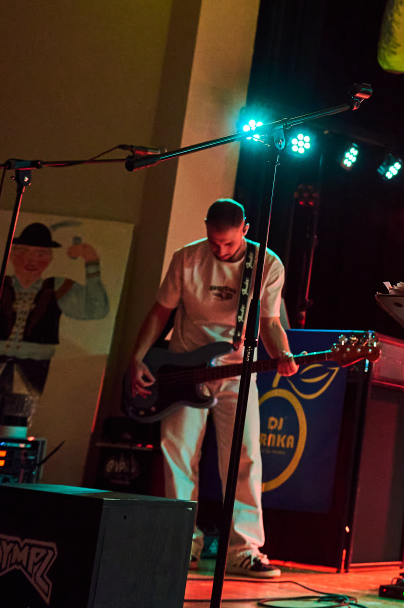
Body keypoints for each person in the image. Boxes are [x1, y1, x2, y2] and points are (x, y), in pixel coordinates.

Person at [128, 199, 299, 579]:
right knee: (178, 454)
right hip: (183, 368)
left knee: (245, 456)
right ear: (206, 228)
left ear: (245, 230)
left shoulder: (267, 264)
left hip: (236, 369)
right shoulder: (186, 258)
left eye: (228, 243)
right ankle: (181, 542)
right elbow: (160, 311)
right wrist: (137, 357)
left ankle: (244, 549)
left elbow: (270, 321)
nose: (220, 250)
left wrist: (282, 353)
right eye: (213, 242)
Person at [0, 222, 108, 429]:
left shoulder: (57, 288)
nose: (31, 260)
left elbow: (96, 310)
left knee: (14, 432)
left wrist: (92, 263)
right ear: (11, 255)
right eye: (23, 252)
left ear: (49, 259)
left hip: (31, 370)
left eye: (40, 254)